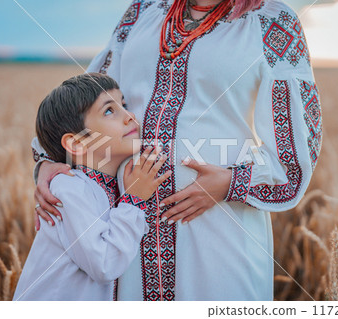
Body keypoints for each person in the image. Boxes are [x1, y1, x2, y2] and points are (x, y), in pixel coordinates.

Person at [32, 0, 322, 300]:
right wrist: (50, 158)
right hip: (128, 229)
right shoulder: (142, 12)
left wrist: (229, 183)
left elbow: (295, 146)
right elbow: (85, 99)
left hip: (220, 231)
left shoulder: (272, 21)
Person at [13, 73, 171, 300]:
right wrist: (133, 199)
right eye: (109, 111)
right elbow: (104, 264)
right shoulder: (67, 189)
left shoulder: (106, 187)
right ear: (76, 143)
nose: (130, 116)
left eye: (124, 105)